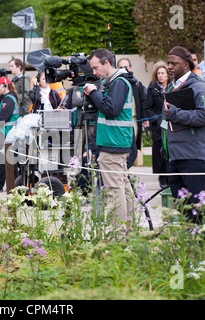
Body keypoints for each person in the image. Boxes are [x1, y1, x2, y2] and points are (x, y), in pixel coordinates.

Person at [82, 48, 135, 237]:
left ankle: (118, 236)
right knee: (122, 188)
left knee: (114, 191)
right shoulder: (116, 82)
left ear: (107, 63)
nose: (94, 73)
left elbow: (111, 109)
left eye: (96, 68)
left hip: (114, 143)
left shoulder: (118, 83)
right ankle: (127, 232)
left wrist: (95, 93)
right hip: (115, 142)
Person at [163, 46, 205, 223]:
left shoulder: (200, 87)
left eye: (174, 63)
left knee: (200, 208)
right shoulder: (171, 87)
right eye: (168, 63)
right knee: (184, 209)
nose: (169, 67)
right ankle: (192, 248)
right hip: (175, 156)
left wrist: (175, 114)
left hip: (194, 156)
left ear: (186, 64)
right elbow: (169, 119)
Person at [117, 57, 148, 168]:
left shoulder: (137, 84)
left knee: (133, 148)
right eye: (120, 67)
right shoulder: (116, 84)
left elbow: (143, 101)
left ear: (130, 68)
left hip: (134, 118)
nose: (123, 70)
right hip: (121, 120)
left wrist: (145, 119)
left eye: (125, 67)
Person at [145, 63, 171, 188]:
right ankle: (162, 177)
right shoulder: (152, 89)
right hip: (158, 126)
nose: (160, 76)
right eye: (158, 74)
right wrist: (157, 119)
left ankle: (171, 176)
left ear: (167, 75)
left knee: (170, 151)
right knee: (159, 152)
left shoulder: (172, 87)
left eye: (163, 73)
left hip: (171, 125)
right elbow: (148, 107)